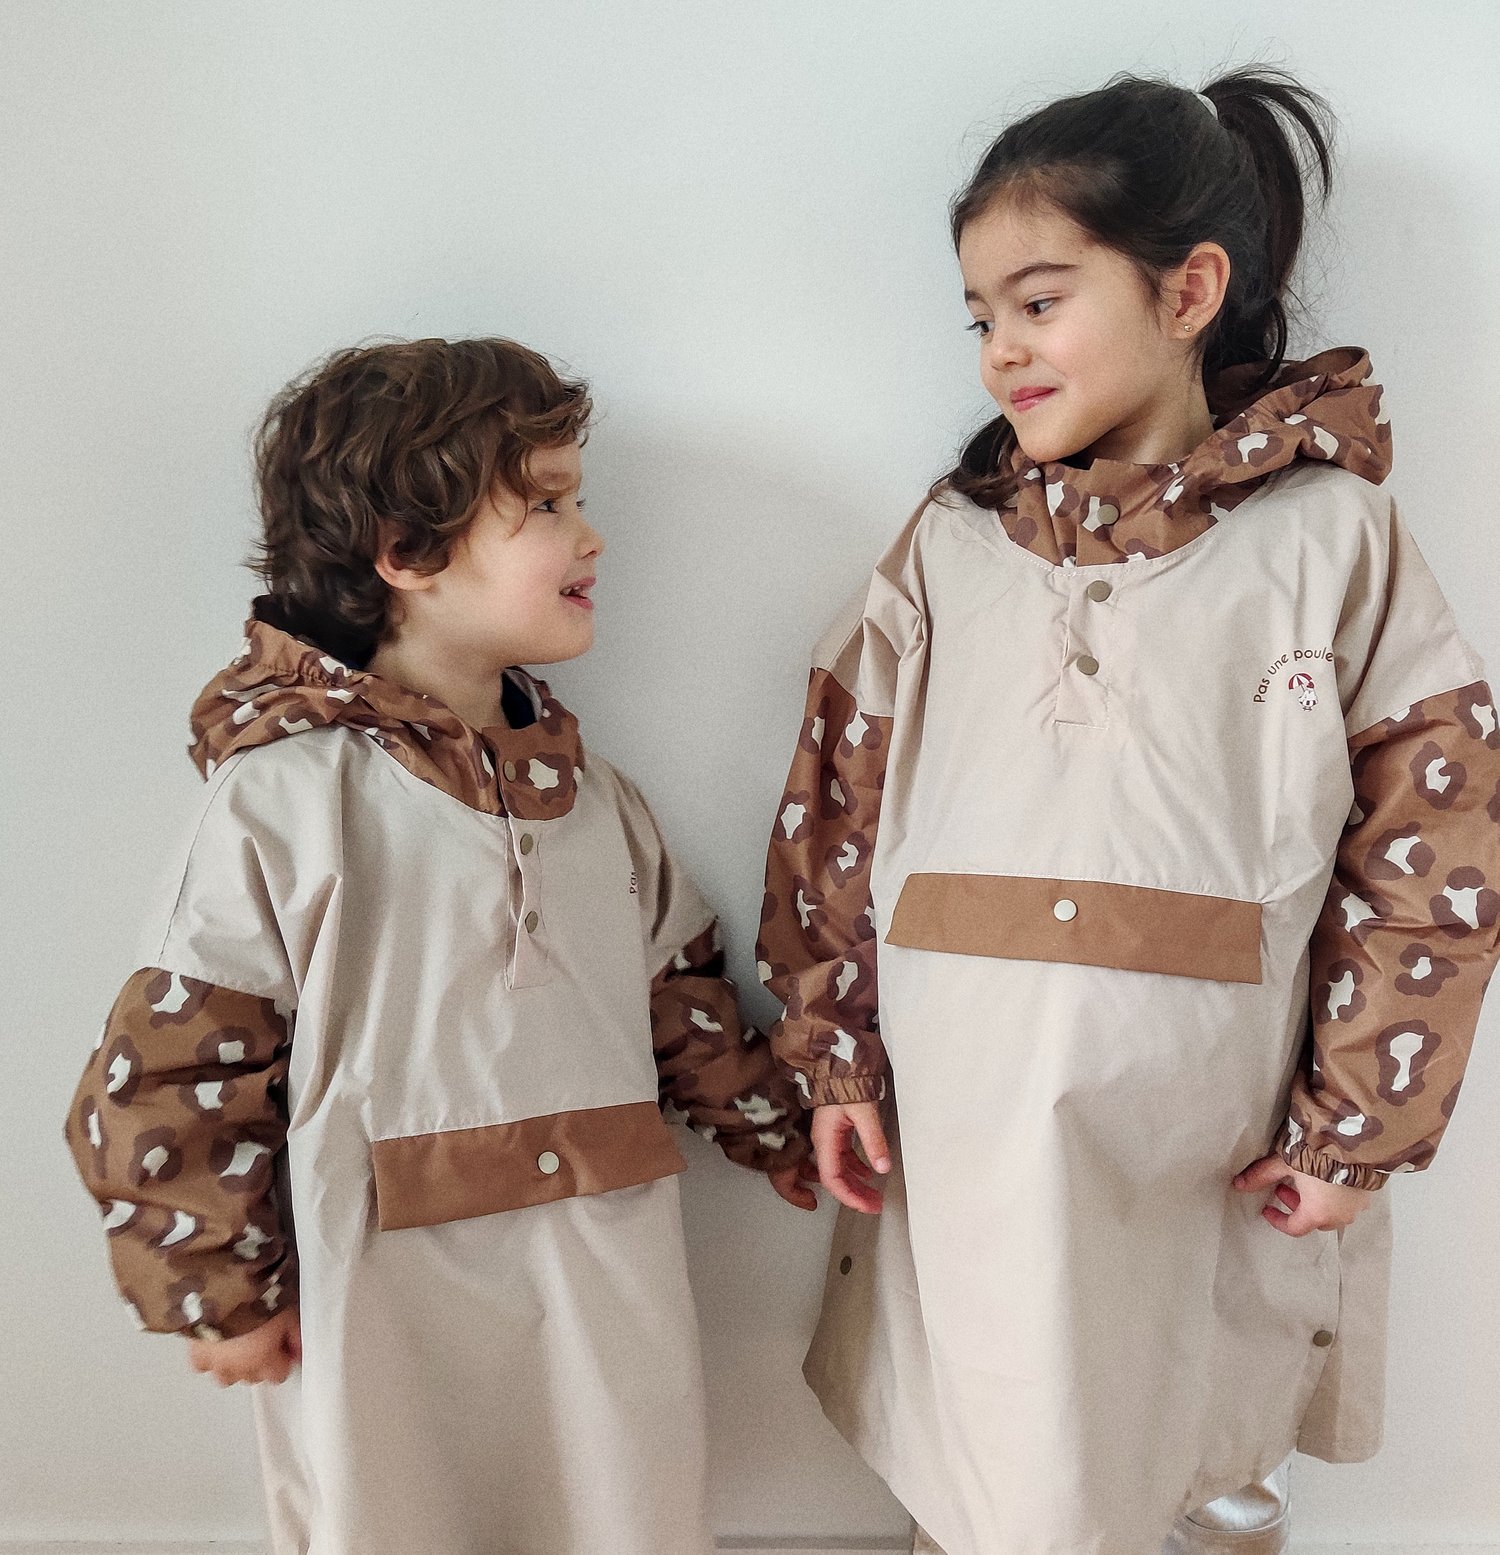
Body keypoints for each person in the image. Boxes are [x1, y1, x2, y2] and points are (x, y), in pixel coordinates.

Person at [757, 69, 1500, 1555]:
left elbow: (1432, 854)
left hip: (1199, 1138)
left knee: (1193, 1443)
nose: (1001, 350)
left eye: (1038, 302)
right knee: (983, 1454)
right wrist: (834, 1051)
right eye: (980, 316)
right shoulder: (948, 549)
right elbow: (834, 807)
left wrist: (1354, 1129)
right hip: (967, 1126)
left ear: (1189, 292)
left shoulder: (1333, 541)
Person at [66, 336, 815, 1555]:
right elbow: (172, 1066)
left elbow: (684, 1003)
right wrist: (217, 1285)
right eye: (549, 504)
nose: (592, 536)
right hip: (382, 1295)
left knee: (619, 1512)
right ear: (407, 551)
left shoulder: (599, 803)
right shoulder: (285, 804)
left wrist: (776, 1130)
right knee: (397, 1519)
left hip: (598, 1273)